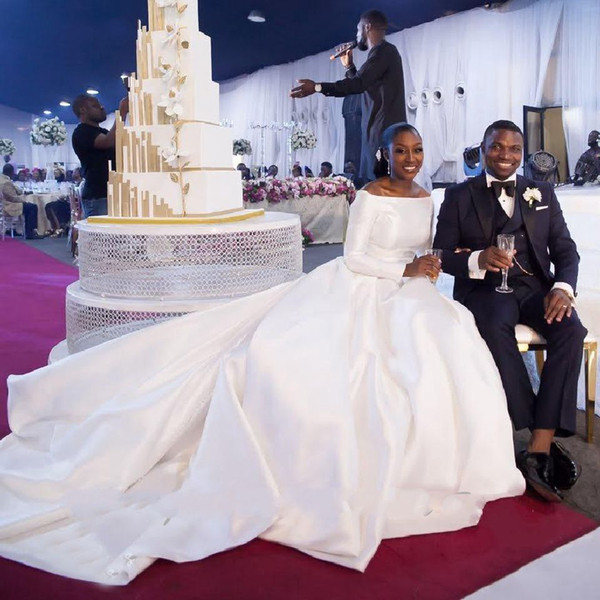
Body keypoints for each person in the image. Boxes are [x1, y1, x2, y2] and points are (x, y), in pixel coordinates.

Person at [0, 123, 523, 585]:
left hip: (411, 292)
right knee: (323, 365)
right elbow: (354, 256)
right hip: (362, 285)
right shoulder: (368, 195)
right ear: (385, 154)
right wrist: (401, 270)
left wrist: (425, 267)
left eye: (417, 150)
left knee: (442, 345)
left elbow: (426, 249)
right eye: (401, 151)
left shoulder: (428, 197)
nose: (410, 159)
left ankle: (439, 461)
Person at [433, 119, 587, 503]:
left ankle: (538, 445)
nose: (506, 155)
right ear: (483, 149)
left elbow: (565, 250)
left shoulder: (542, 191)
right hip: (485, 289)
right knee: (494, 325)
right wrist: (477, 259)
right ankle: (538, 435)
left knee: (571, 330)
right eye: (497, 147)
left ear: (522, 153)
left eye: (514, 148)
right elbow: (440, 254)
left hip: (535, 288)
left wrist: (563, 288)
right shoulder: (458, 195)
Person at [290, 9, 406, 183]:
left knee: (383, 188)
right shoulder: (381, 54)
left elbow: (358, 84)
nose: (357, 35)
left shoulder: (384, 52)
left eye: (358, 30)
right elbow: (364, 88)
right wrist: (349, 68)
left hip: (384, 135)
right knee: (375, 185)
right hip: (377, 133)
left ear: (367, 27)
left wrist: (317, 87)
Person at [71, 94, 129, 217]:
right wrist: (122, 114)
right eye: (95, 106)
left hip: (110, 193)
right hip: (98, 196)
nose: (102, 108)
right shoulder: (81, 132)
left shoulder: (102, 132)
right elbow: (107, 142)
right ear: (83, 110)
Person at [0, 164, 42, 239]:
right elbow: (13, 198)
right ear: (10, 172)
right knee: (32, 207)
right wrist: (24, 200)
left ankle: (27, 231)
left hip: (6, 204)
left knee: (30, 206)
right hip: (10, 206)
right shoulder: (6, 182)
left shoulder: (3, 179)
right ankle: (30, 232)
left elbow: (17, 191)